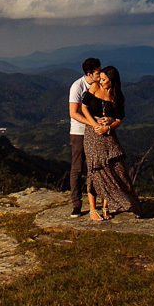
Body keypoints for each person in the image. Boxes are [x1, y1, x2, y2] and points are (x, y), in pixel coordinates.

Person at [81, 65, 141, 220]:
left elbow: (119, 119)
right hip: (92, 133)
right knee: (95, 167)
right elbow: (84, 107)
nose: (100, 81)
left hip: (108, 135)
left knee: (113, 166)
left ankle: (108, 206)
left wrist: (108, 125)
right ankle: (93, 209)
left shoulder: (118, 96)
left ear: (112, 81)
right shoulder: (94, 87)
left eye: (104, 79)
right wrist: (94, 124)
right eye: (100, 78)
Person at [67, 57, 102, 218]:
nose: (100, 73)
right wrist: (92, 122)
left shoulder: (100, 84)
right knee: (77, 168)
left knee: (96, 167)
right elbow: (73, 113)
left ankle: (100, 202)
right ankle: (76, 204)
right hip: (79, 132)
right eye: (97, 71)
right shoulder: (77, 87)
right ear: (89, 73)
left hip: (96, 130)